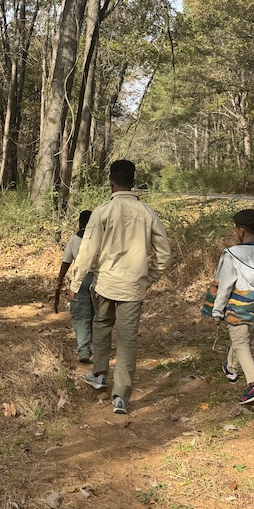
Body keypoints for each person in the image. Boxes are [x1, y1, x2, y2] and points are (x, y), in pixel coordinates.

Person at [67, 160, 172, 415]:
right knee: (127, 341)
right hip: (133, 288)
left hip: (105, 284)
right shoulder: (148, 213)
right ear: (133, 183)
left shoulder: (102, 212)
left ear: (111, 182)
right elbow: (164, 254)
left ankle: (99, 374)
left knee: (101, 326)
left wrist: (75, 282)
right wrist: (149, 277)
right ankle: (121, 397)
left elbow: (87, 252)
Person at [205, 208, 254, 404]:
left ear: (240, 231)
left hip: (237, 305)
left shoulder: (232, 254)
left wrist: (216, 309)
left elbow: (225, 285)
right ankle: (231, 369)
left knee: (240, 341)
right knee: (239, 335)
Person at [54, 210, 94, 364]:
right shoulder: (101, 239)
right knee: (97, 315)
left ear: (79, 223)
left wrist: (59, 281)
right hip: (99, 279)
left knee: (80, 315)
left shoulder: (74, 240)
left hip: (80, 280)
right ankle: (98, 348)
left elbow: (66, 262)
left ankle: (83, 350)